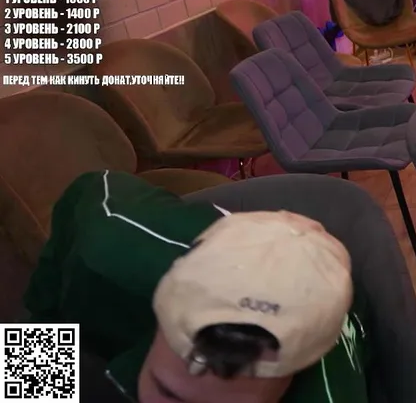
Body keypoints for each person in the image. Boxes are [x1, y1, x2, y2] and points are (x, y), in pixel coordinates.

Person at [23, 171, 371, 403]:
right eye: (169, 393)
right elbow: (90, 188)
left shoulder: (329, 390)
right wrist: (41, 318)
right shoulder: (108, 244)